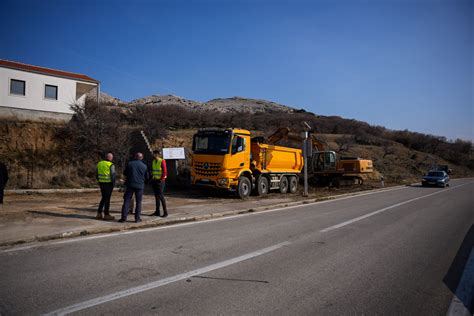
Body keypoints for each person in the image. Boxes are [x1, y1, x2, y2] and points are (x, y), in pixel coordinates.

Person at [119, 152, 148, 223]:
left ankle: (124, 218)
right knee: (138, 202)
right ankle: (137, 219)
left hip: (130, 185)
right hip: (140, 185)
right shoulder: (144, 166)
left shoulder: (130, 164)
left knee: (127, 200)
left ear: (135, 157)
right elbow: (147, 177)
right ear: (142, 158)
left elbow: (125, 173)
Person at [96, 152, 116, 220]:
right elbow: (113, 175)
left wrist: (99, 180)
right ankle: (106, 214)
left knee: (103, 198)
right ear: (110, 158)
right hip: (108, 183)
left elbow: (96, 173)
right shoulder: (111, 165)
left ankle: (99, 213)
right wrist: (113, 184)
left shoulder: (99, 163)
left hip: (101, 183)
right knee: (107, 199)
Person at [151, 150, 168, 217]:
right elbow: (153, 170)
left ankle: (165, 212)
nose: (153, 155)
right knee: (156, 197)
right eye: (153, 154)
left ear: (157, 154)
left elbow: (165, 171)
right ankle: (157, 211)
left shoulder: (162, 161)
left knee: (161, 196)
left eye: (154, 154)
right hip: (154, 180)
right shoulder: (153, 161)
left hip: (160, 181)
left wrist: (161, 179)